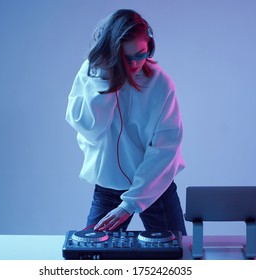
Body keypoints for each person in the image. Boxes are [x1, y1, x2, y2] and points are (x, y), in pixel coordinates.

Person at [65, 9, 187, 235]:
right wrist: (103, 78)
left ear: (150, 46)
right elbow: (91, 129)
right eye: (126, 57)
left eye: (141, 54)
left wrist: (130, 204)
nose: (134, 64)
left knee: (176, 257)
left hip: (155, 186)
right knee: (94, 259)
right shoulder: (93, 72)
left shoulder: (161, 85)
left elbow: (165, 149)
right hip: (109, 187)